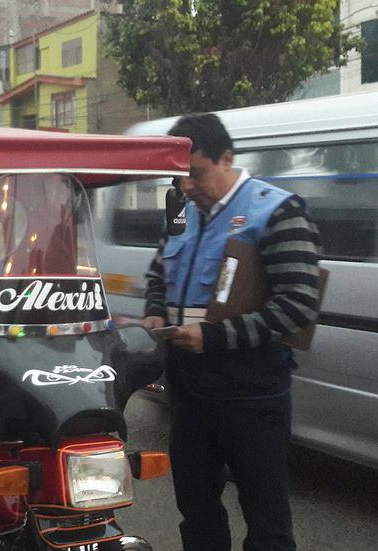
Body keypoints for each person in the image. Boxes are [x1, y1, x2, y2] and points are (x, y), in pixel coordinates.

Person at [142, 113, 322, 551]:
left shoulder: (277, 210)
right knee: (197, 511)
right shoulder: (181, 213)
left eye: (196, 174)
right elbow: (158, 275)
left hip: (252, 397)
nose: (186, 187)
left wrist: (213, 337)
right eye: (180, 177)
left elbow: (297, 307)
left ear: (227, 158)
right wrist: (154, 313)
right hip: (189, 394)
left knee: (266, 521)